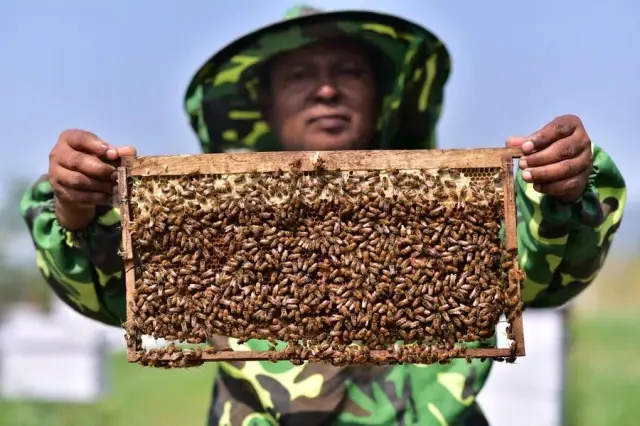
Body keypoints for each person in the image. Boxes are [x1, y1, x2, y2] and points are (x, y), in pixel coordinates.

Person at [20, 4, 626, 426]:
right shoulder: (219, 223)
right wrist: (77, 210)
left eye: (349, 72)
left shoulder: (451, 209)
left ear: (381, 92)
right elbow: (110, 292)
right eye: (301, 76)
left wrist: (564, 192)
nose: (327, 91)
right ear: (264, 102)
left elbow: (545, 278)